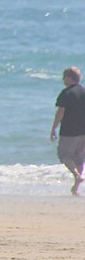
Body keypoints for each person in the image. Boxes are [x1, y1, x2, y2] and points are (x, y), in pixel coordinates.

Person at [50, 66, 85, 196]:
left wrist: (54, 128)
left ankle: (76, 176)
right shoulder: (84, 91)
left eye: (64, 77)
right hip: (83, 131)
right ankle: (76, 187)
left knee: (64, 155)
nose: (63, 80)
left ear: (69, 78)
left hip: (69, 131)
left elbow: (60, 112)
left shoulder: (66, 93)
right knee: (80, 158)